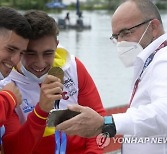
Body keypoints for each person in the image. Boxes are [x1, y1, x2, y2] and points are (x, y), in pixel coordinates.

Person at [56, 0, 167, 154]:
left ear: (153, 27)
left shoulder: (166, 61)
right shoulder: (152, 60)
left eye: (126, 33)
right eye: (116, 36)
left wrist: (107, 123)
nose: (120, 42)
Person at [1, 10, 105, 154]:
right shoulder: (7, 86)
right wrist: (41, 111)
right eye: (30, 53)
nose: (40, 63)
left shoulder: (72, 67)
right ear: (21, 49)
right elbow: (13, 150)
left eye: (48, 53)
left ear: (57, 45)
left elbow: (99, 122)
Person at [0, 6, 32, 151]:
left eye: (21, 53)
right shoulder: (8, 93)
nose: (14, 60)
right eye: (11, 49)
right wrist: (9, 99)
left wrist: (42, 110)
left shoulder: (5, 86)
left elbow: (17, 149)